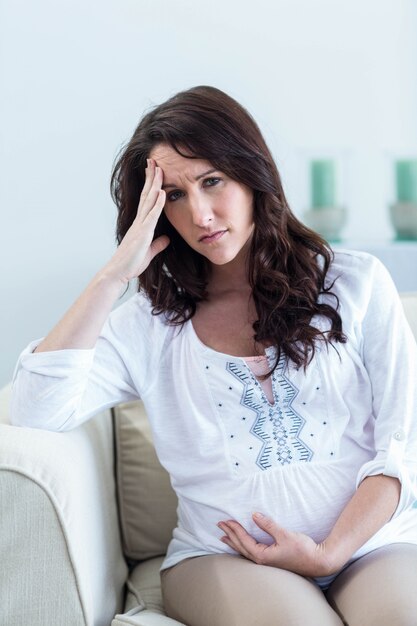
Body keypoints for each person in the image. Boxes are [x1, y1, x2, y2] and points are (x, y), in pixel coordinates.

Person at [11, 85, 417, 626]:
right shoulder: (151, 325)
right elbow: (37, 411)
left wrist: (330, 552)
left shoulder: (355, 282)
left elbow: (401, 442)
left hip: (369, 548)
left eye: (211, 181)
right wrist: (113, 277)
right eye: (174, 195)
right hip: (224, 558)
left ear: (252, 175)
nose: (200, 214)